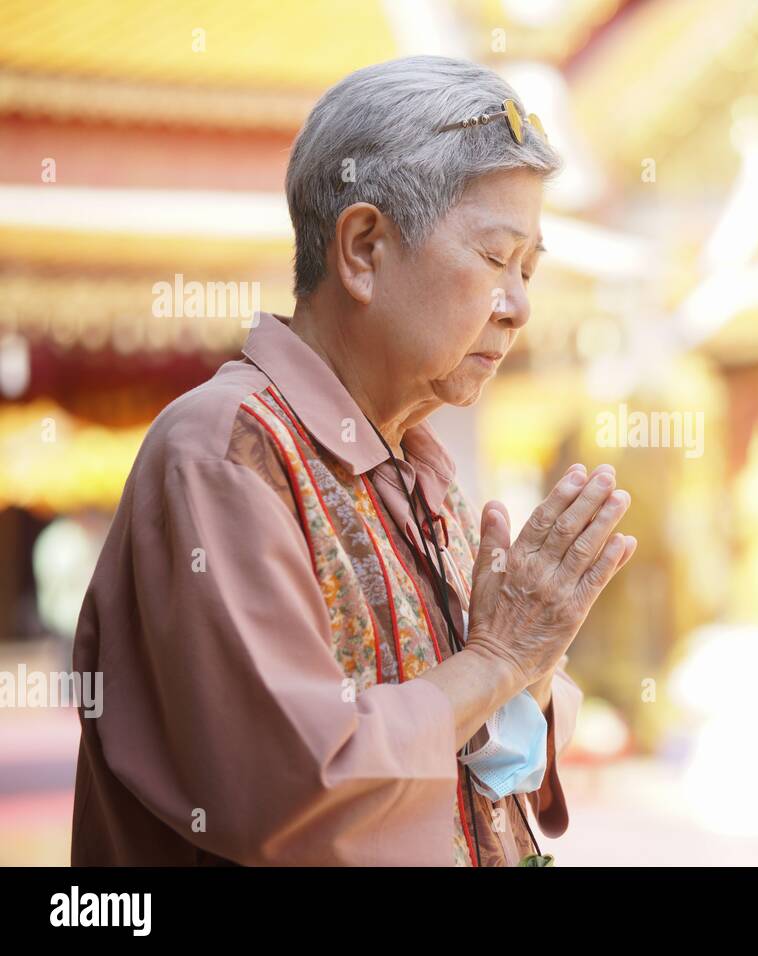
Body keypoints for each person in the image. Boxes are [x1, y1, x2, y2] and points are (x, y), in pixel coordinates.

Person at [70, 55, 636, 866]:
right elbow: (297, 788)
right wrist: (501, 659)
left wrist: (528, 669)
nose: (518, 308)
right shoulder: (226, 453)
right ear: (364, 248)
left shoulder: (417, 472)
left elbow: (480, 746)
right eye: (494, 258)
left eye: (529, 268)